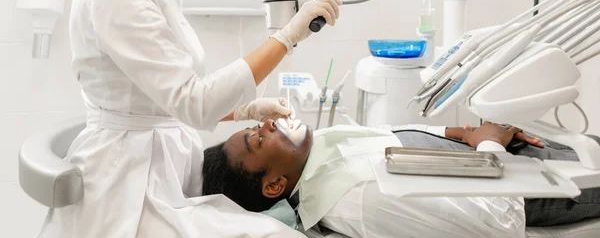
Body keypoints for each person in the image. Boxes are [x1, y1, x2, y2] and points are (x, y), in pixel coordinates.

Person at [39, 0, 341, 238]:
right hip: (127, 189)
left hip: (161, 174)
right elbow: (193, 102)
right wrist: (286, 38)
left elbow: (166, 98)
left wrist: (244, 109)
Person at [202, 120, 600, 238]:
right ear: (274, 185)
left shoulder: (320, 149)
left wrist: (458, 134)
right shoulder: (358, 197)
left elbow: (390, 135)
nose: (268, 123)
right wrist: (489, 148)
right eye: (258, 138)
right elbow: (497, 223)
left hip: (520, 153)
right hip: (543, 187)